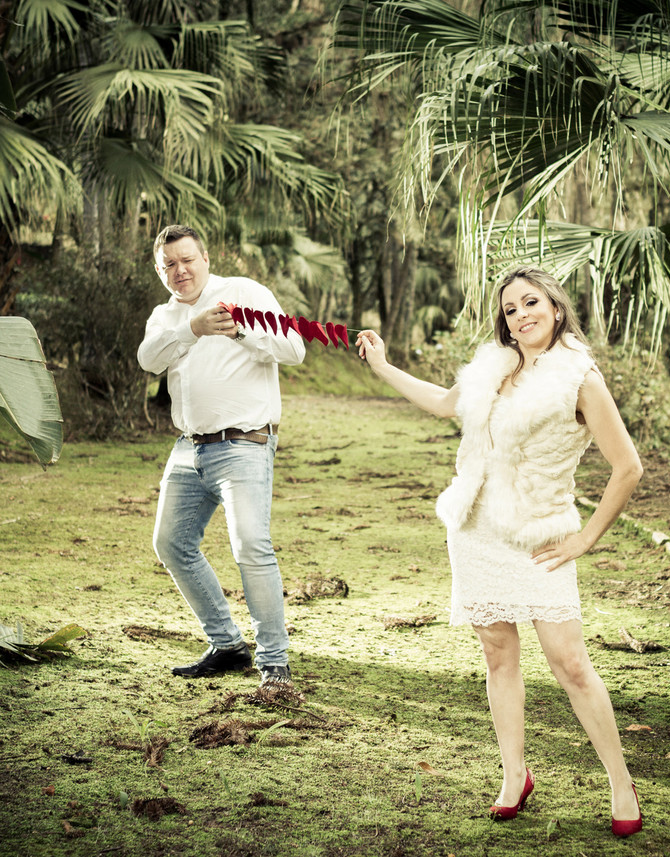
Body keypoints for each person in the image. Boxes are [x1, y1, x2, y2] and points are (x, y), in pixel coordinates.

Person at [356, 267, 644, 836]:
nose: (521, 315)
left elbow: (627, 467)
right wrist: (383, 365)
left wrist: (586, 538)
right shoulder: (494, 365)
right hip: (475, 531)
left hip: (540, 538)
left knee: (570, 664)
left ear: (556, 308)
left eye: (530, 302)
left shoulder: (578, 377)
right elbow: (443, 403)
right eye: (510, 309)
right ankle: (515, 773)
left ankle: (620, 781)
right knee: (497, 655)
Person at [137, 224, 304, 687]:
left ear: (205, 258)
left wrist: (241, 331)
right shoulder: (164, 315)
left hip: (245, 445)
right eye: (168, 264)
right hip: (189, 449)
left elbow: (294, 349)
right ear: (160, 271)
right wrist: (192, 328)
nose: (180, 270)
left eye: (187, 259)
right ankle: (227, 645)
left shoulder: (244, 292)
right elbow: (149, 359)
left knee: (250, 545)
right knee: (171, 543)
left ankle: (274, 660)